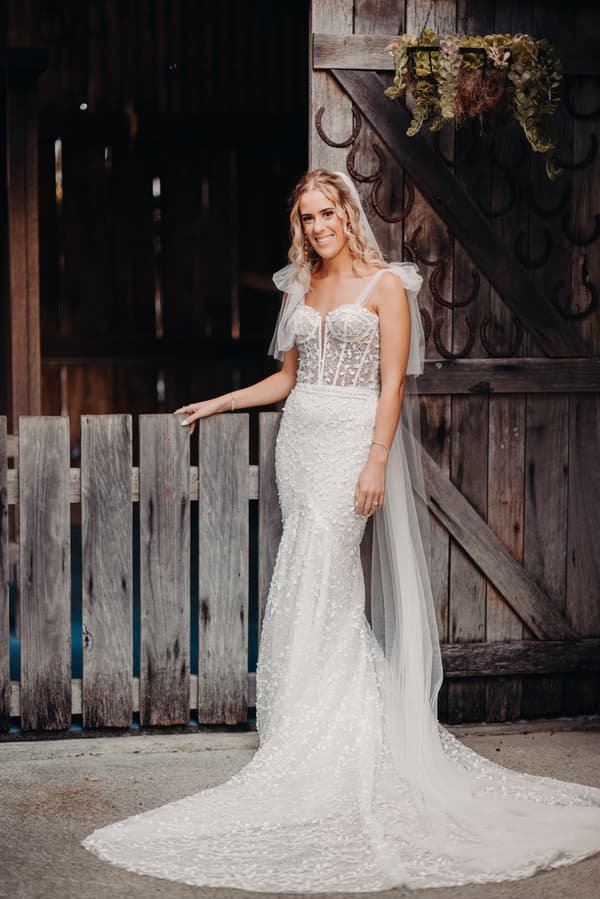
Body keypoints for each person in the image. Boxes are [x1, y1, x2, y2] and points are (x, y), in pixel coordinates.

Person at [82, 169, 600, 892]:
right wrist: (222, 400)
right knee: (302, 566)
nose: (320, 226)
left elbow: (391, 383)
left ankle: (337, 730)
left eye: (328, 213)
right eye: (308, 218)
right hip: (301, 441)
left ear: (348, 212)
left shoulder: (387, 286)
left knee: (325, 568)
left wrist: (377, 461)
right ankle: (298, 724)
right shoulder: (300, 285)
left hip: (354, 442)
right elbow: (288, 377)